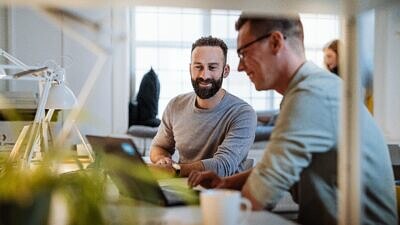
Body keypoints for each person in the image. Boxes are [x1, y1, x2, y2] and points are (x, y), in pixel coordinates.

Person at [188, 14, 397, 225]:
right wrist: (226, 183)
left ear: (276, 42)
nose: (240, 67)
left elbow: (259, 197)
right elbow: (274, 169)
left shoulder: (310, 95)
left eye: (244, 53)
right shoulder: (309, 88)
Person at [150, 36, 257, 177]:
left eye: (212, 67)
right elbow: (159, 147)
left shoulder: (243, 113)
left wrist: (172, 170)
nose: (204, 75)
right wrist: (161, 160)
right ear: (190, 69)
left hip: (220, 193)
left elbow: (222, 165)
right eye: (198, 67)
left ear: (225, 71)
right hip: (182, 188)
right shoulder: (175, 105)